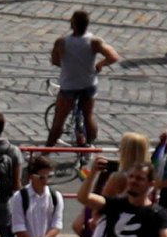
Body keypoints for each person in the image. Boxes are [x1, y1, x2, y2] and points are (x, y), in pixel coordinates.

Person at [45, 10, 115, 146]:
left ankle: (47, 149)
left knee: (59, 120)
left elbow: (55, 61)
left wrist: (68, 65)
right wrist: (99, 65)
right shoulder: (94, 41)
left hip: (69, 86)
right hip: (88, 85)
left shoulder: (61, 42)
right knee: (88, 116)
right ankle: (90, 146)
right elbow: (113, 56)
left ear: (73, 24)